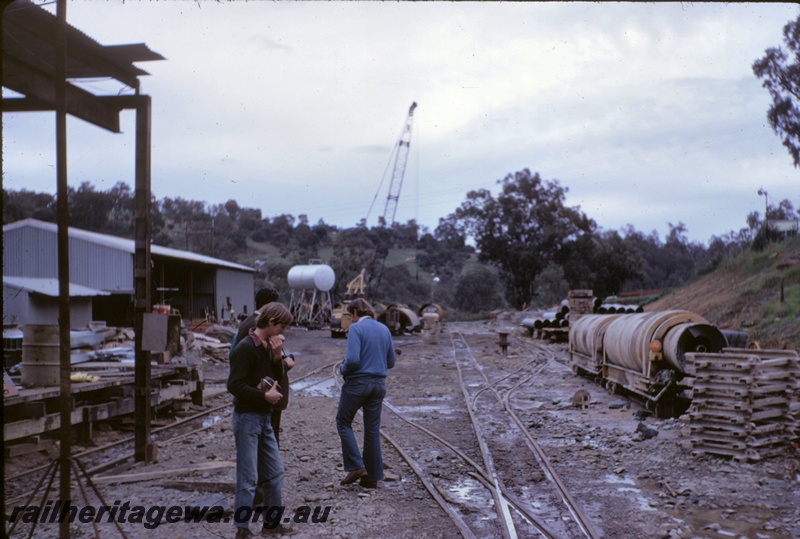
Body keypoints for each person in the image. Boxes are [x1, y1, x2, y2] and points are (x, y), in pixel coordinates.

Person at [227, 302, 295, 538]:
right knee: (248, 477)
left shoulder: (268, 346)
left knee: (275, 473)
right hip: (247, 419)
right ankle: (242, 529)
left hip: (264, 418)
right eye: (282, 327)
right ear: (272, 322)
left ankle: (271, 525)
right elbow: (233, 385)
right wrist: (263, 395)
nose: (284, 332)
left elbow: (274, 377)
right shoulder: (246, 348)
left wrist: (277, 359)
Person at [336, 298, 397, 489]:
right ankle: (372, 477)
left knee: (343, 421)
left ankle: (356, 466)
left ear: (355, 313)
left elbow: (353, 360)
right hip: (379, 385)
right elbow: (391, 361)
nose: (351, 320)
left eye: (350, 315)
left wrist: (343, 369)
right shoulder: (384, 329)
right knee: (372, 430)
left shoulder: (356, 329)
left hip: (358, 384)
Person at [231, 288, 294, 446]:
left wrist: (279, 356)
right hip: (260, 397)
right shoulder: (260, 329)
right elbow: (261, 364)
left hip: (259, 396)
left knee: (266, 443)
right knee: (267, 442)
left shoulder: (247, 323)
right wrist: (284, 363)